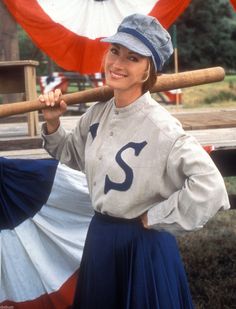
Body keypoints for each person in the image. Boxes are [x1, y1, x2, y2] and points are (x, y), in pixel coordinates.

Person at [39, 13, 230, 309]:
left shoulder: (162, 128)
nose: (117, 63)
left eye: (132, 58)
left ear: (147, 71)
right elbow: (72, 154)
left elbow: (211, 185)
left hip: (143, 245)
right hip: (101, 238)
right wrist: (53, 124)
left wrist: (156, 216)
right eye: (115, 51)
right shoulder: (97, 113)